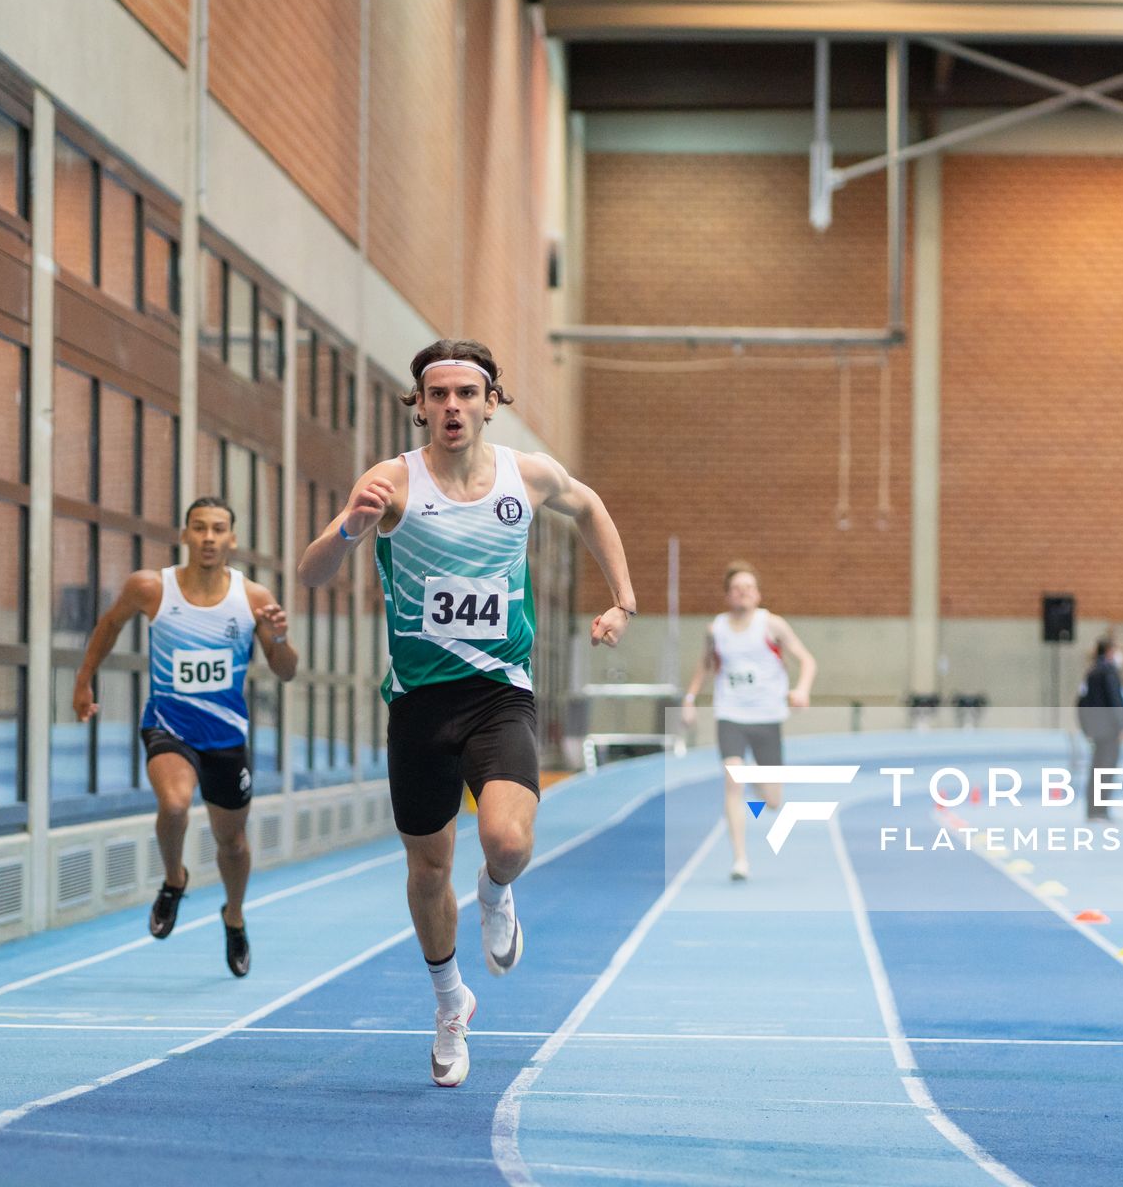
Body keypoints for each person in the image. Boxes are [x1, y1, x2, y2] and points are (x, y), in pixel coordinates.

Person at [295, 339, 637, 1089]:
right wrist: (351, 525)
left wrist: (623, 598)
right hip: (419, 704)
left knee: (506, 841)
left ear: (489, 402)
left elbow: (590, 505)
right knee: (427, 870)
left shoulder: (527, 476)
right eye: (437, 394)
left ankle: (497, 892)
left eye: (465, 394)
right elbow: (311, 573)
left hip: (499, 695)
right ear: (418, 404)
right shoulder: (391, 480)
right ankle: (451, 1003)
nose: (451, 406)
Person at [74, 495, 298, 979]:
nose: (209, 538)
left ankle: (233, 917)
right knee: (174, 804)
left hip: (225, 737)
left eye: (219, 529)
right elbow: (109, 626)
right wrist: (83, 680)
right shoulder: (151, 588)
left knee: (232, 843)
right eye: (200, 528)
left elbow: (285, 672)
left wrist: (278, 638)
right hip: (168, 724)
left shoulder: (254, 598)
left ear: (232, 539)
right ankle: (175, 879)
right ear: (185, 535)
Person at [680, 562, 818, 881]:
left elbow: (808, 660)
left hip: (767, 717)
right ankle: (740, 859)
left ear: (757, 594)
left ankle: (754, 777)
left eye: (749, 587)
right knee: (732, 781)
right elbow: (703, 667)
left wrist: (802, 689)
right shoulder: (716, 629)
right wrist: (689, 701)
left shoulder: (772, 625)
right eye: (737, 588)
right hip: (731, 715)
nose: (743, 592)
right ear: (728, 595)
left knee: (772, 801)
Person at [1074, 636, 1123, 823]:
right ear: (1110, 651)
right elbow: (1115, 700)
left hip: (1096, 728)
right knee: (1105, 770)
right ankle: (1100, 811)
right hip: (1109, 728)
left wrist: (1085, 726)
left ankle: (1093, 810)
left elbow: (1080, 702)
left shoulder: (1091, 672)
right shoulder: (1108, 672)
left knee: (1097, 768)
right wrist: (1122, 725)